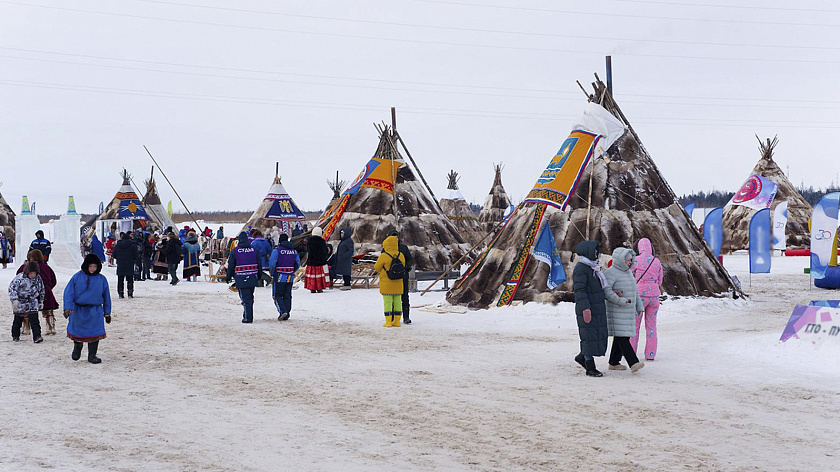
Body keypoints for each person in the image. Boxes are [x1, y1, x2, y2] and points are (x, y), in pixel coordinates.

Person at [604, 247, 645, 373]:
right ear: (620, 260)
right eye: (627, 260)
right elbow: (606, 291)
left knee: (620, 336)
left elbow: (634, 292)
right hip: (616, 310)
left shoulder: (628, 273)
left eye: (630, 260)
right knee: (623, 336)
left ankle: (614, 362)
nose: (629, 262)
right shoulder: (611, 273)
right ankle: (633, 362)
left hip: (626, 311)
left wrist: (639, 306)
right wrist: (620, 300)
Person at [64, 254, 111, 363]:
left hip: (95, 310)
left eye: (95, 267)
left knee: (95, 332)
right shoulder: (77, 277)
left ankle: (92, 355)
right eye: (90, 266)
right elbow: (69, 293)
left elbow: (106, 297)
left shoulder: (102, 279)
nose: (92, 269)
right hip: (78, 310)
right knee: (78, 331)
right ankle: (77, 347)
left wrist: (107, 313)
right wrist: (68, 307)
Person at [573, 241, 609, 377]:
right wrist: (585, 308)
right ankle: (590, 367)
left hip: (596, 307)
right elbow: (579, 291)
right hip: (587, 308)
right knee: (588, 336)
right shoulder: (581, 269)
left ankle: (582, 356)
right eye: (594, 251)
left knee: (593, 335)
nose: (596, 253)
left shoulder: (593, 268)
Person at [632, 238, 663, 361]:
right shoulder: (656, 262)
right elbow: (660, 281)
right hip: (654, 297)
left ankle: (631, 352)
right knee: (651, 326)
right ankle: (650, 354)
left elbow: (630, 276)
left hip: (639, 297)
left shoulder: (636, 260)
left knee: (635, 325)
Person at [16, 250, 59, 335]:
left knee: (26, 311)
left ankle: (26, 328)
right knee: (48, 311)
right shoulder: (46, 267)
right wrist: (48, 287)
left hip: (28, 292)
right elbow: (53, 280)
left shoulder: (24, 267)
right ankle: (50, 328)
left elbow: (18, 278)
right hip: (46, 291)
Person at [226, 231, 261, 323]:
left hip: (241, 277)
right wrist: (259, 275)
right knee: (250, 297)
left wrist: (228, 276)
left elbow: (231, 265)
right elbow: (259, 264)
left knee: (245, 298)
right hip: (253, 276)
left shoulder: (235, 251)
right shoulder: (254, 250)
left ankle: (248, 317)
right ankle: (247, 314)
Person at [373, 234, 406, 327]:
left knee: (388, 302)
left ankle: (388, 321)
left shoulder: (384, 256)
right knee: (398, 302)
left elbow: (377, 268)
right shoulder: (401, 255)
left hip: (387, 283)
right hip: (398, 282)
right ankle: (397, 321)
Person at [9, 261, 45, 343]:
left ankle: (37, 336)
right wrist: (14, 300)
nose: (32, 275)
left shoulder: (38, 279)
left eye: (34, 273)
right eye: (31, 273)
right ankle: (15, 335)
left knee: (35, 321)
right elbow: (12, 288)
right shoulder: (19, 278)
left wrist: (40, 301)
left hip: (32, 301)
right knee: (18, 320)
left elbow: (41, 290)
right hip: (20, 302)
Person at [269, 234, 300, 321]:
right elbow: (298, 263)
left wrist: (272, 272)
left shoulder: (277, 251)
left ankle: (283, 311)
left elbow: (272, 263)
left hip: (279, 275)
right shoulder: (294, 251)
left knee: (277, 295)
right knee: (287, 295)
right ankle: (287, 312)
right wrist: (292, 271)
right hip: (290, 276)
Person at [387, 229, 414, 324]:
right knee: (393, 297)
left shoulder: (403, 248)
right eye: (392, 236)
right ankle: (393, 316)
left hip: (403, 275)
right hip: (391, 277)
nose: (395, 238)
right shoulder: (386, 249)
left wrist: (407, 266)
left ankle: (406, 316)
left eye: (396, 236)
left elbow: (410, 259)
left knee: (405, 296)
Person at [304, 227, 330, 293]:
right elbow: (324, 251)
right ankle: (319, 288)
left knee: (312, 276)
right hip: (320, 261)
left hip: (311, 261)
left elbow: (307, 250)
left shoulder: (309, 241)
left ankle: (312, 288)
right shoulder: (321, 241)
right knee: (319, 276)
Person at [112, 232, 138, 298]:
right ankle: (130, 292)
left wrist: (119, 258)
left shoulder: (117, 245)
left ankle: (120, 293)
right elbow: (136, 254)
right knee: (130, 279)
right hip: (129, 264)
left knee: (120, 280)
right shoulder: (132, 245)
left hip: (120, 264)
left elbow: (113, 255)